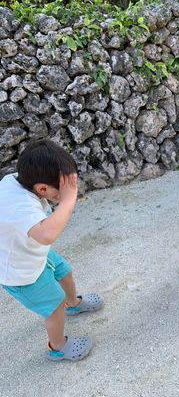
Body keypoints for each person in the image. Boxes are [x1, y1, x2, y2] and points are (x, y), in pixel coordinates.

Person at [0, 139, 104, 362]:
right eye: (61, 189)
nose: (65, 193)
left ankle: (73, 304)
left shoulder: (15, 180)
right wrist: (69, 199)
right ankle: (57, 347)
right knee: (54, 305)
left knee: (64, 271)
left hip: (34, 253)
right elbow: (47, 234)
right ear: (42, 189)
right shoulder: (21, 205)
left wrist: (62, 193)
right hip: (21, 273)